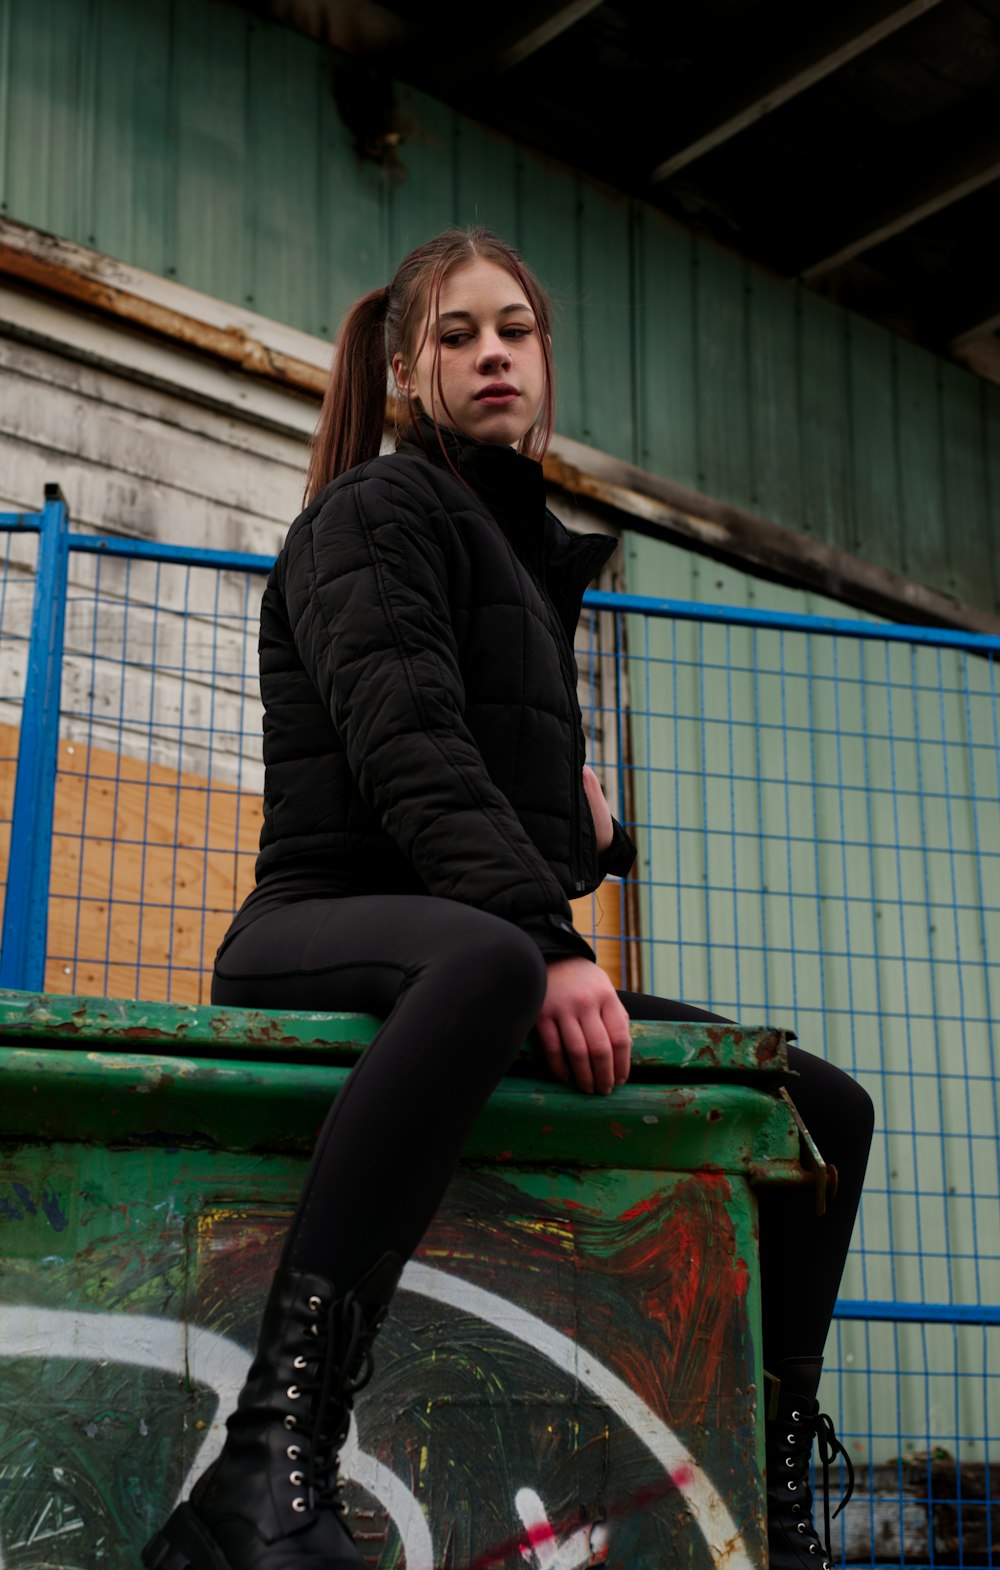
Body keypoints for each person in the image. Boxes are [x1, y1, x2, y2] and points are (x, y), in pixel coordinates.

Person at [142, 228, 874, 1570]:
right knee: (486, 962)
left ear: (545, 362)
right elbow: (408, 746)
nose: (495, 352)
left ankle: (771, 1496)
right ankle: (261, 1465)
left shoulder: (515, 554)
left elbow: (490, 795)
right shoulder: (372, 514)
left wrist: (590, 837)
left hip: (458, 930)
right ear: (412, 370)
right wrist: (548, 936)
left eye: (517, 330)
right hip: (321, 926)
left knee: (819, 1108)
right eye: (461, 332)